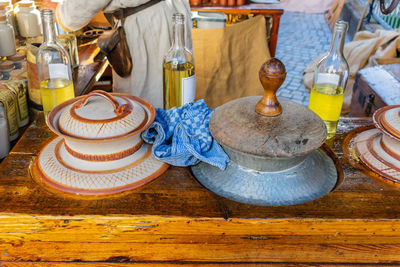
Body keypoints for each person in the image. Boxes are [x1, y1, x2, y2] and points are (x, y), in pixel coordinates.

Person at [54, 0, 193, 108]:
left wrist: (58, 12)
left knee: (146, 107)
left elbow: (74, 15)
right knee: (173, 99)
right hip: (166, 12)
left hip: (148, 25)